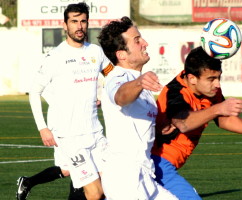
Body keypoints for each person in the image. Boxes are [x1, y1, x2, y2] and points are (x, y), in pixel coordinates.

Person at [150, 46, 242, 200]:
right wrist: (217, 109)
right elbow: (183, 123)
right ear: (192, 78)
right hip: (156, 163)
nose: (217, 84)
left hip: (166, 165)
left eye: (219, 77)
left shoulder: (209, 90)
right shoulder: (175, 92)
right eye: (211, 79)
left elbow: (224, 120)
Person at [16, 2, 114, 200]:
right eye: (74, 21)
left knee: (107, 186)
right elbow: (34, 92)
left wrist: (104, 96)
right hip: (70, 137)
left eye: (83, 21)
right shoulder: (56, 57)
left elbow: (112, 76)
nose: (79, 26)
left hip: (95, 132)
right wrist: (42, 127)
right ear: (65, 25)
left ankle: (28, 182)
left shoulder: (96, 52)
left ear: (88, 23)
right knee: (94, 193)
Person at [97, 16, 178, 199]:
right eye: (137, 40)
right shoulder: (116, 78)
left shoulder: (139, 84)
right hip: (124, 176)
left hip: (144, 174)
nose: (145, 43)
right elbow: (120, 96)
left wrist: (164, 125)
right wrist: (140, 82)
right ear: (121, 54)